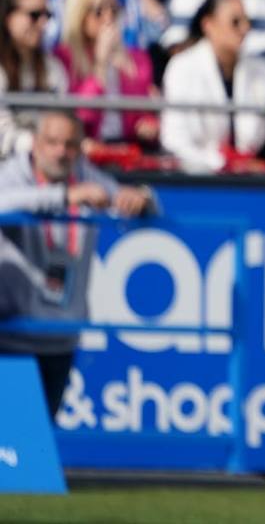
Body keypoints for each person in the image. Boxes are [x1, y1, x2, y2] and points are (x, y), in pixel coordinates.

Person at [0, 111, 156, 417]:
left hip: (61, 336)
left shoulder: (84, 174)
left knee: (37, 443)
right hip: (12, 336)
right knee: (13, 443)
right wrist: (64, 196)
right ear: (34, 143)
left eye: (70, 144)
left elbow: (144, 204)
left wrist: (141, 198)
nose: (61, 152)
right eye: (53, 142)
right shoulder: (13, 173)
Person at [160, 0, 265, 173]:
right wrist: (223, 163)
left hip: (254, 181)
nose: (245, 29)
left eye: (248, 22)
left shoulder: (262, 69)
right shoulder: (182, 67)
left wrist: (247, 163)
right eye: (235, 22)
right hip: (199, 180)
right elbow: (174, 140)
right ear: (208, 25)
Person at [54, 0, 159, 146]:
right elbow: (82, 118)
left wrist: (147, 124)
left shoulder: (138, 58)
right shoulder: (64, 58)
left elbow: (144, 112)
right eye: (98, 11)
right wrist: (100, 65)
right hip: (86, 151)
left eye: (113, 9)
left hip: (126, 151)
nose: (108, 17)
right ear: (79, 15)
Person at [0, 0, 67, 157]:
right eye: (34, 15)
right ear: (8, 18)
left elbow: (63, 121)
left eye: (47, 15)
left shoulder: (53, 68)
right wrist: (40, 145)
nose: (43, 23)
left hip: (48, 164)